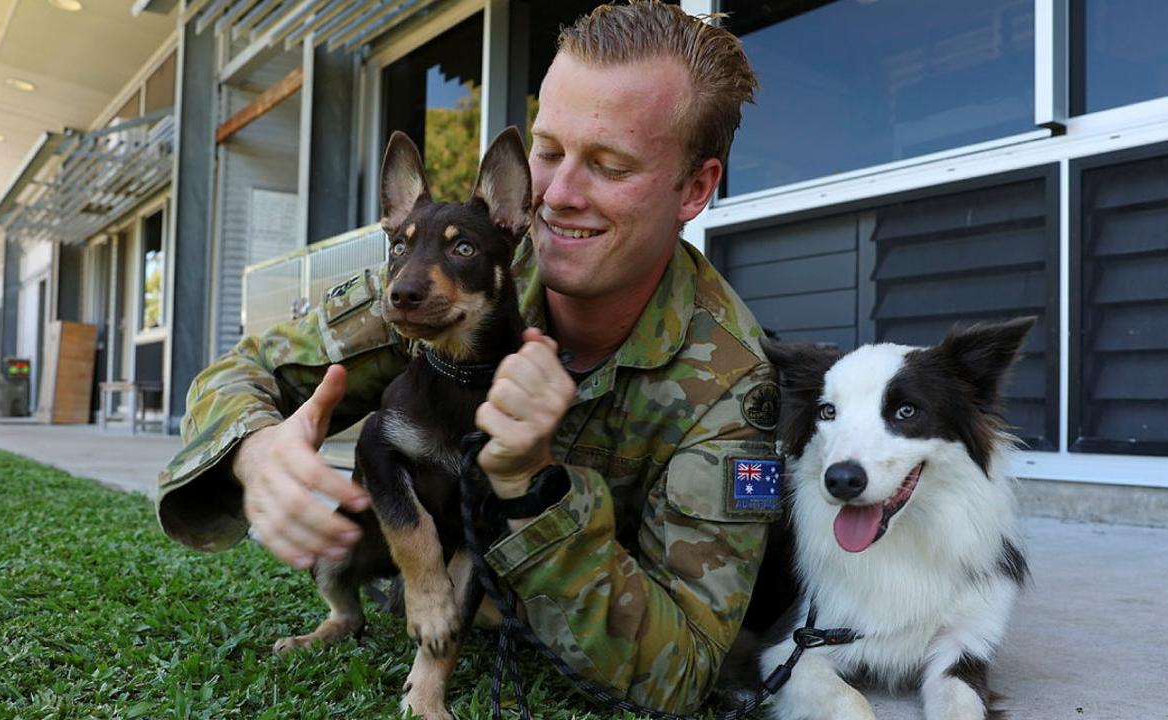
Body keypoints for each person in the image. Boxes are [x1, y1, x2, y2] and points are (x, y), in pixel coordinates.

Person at [157, 1, 779, 713]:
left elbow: (684, 673)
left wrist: (535, 489)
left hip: (544, 628)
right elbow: (241, 371)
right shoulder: (444, 284)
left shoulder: (729, 391)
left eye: (610, 166)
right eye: (547, 152)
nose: (557, 197)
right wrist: (254, 450)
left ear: (696, 189)